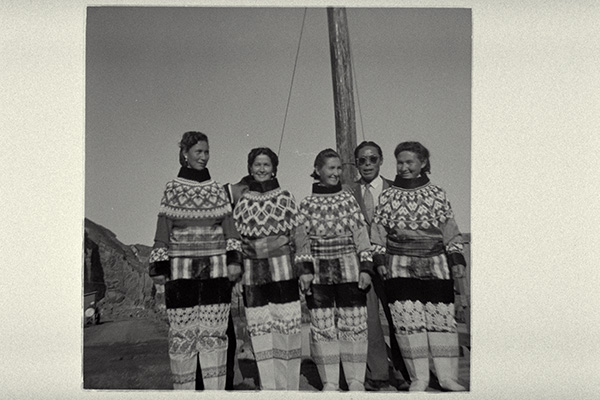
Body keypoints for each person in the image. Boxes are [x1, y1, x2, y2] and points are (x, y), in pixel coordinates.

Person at [148, 131, 243, 390]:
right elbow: (163, 229)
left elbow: (230, 229)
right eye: (198, 152)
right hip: (181, 276)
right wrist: (159, 265)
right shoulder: (172, 188)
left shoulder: (216, 190)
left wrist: (234, 261)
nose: (203, 157)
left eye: (206, 152)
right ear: (185, 154)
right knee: (182, 338)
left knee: (215, 337)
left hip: (215, 275)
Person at [371, 141, 467, 392]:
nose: (403, 167)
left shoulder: (437, 193)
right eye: (400, 162)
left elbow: (449, 228)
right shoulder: (388, 196)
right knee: (407, 322)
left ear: (422, 163)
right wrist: (379, 260)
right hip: (399, 267)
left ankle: (447, 377)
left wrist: (456, 257)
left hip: (436, 266)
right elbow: (378, 232)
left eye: (409, 162)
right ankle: (419, 378)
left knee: (441, 321)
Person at [232, 147, 307, 390]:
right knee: (261, 332)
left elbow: (298, 234)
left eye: (266, 165)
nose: (262, 169)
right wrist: (237, 275)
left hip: (283, 270)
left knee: (287, 329)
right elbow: (237, 240)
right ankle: (269, 387)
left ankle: (289, 388)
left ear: (274, 169)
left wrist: (304, 269)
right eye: (257, 165)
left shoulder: (285, 196)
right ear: (250, 169)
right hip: (253, 274)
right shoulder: (243, 202)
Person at [298, 148, 373, 392]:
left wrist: (366, 267)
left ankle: (355, 380)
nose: (336, 173)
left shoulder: (348, 200)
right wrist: (305, 271)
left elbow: (361, 235)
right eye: (331, 168)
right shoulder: (307, 204)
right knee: (322, 326)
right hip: (319, 273)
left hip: (349, 270)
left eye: (339, 168)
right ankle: (329, 381)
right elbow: (302, 240)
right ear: (317, 170)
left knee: (354, 324)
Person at [350, 141, 410, 391]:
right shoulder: (348, 192)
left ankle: (404, 372)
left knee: (399, 316)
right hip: (362, 265)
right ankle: (377, 373)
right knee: (370, 320)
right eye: (362, 160)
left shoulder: (395, 189)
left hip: (391, 262)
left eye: (372, 159)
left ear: (381, 160)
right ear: (356, 163)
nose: (367, 165)